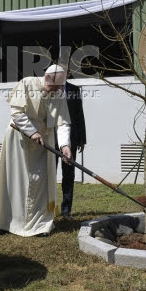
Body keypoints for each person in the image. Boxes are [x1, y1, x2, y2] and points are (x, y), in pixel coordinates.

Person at [0, 64, 72, 237]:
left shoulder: (59, 94)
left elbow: (62, 123)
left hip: (43, 143)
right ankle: (6, 222)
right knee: (13, 181)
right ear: (47, 78)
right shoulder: (27, 83)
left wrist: (65, 145)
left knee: (40, 181)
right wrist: (32, 132)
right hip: (18, 141)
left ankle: (40, 225)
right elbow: (16, 112)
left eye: (57, 88)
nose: (54, 91)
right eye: (52, 87)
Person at [56, 78, 87, 218]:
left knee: (68, 175)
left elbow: (79, 115)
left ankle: (66, 210)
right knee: (48, 174)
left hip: (71, 139)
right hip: (51, 138)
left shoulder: (74, 89)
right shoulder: (48, 89)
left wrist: (82, 139)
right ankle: (47, 208)